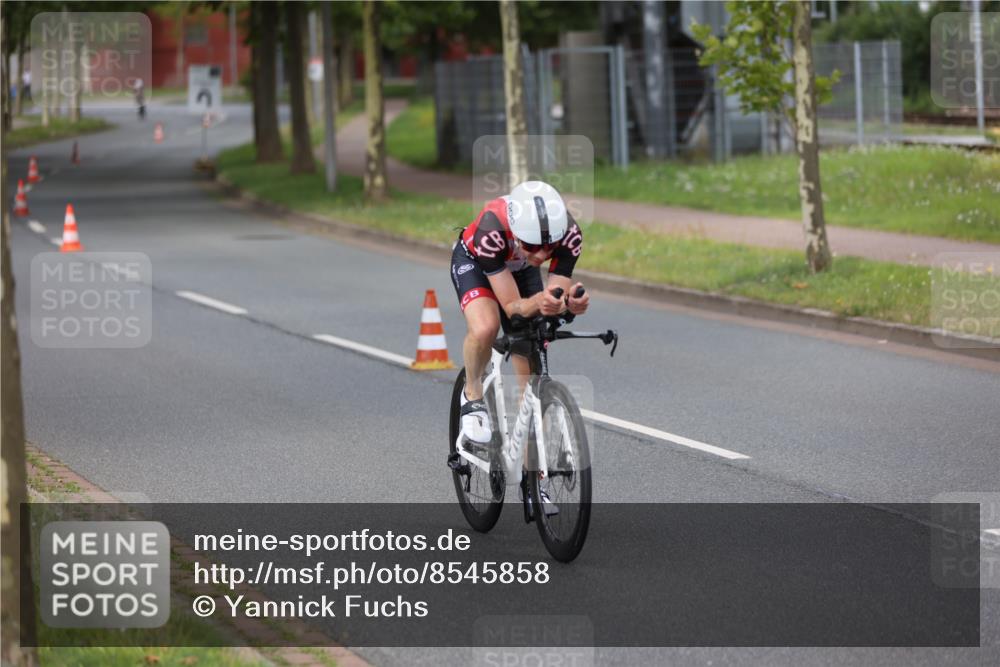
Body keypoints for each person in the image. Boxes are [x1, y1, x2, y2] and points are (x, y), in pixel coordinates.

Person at [450, 181, 588, 513]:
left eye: (547, 247)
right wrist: (536, 303)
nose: (541, 254)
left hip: (520, 270)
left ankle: (533, 480)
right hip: (480, 264)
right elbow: (512, 306)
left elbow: (554, 296)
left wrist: (569, 304)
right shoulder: (491, 230)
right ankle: (472, 395)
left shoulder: (569, 235)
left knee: (530, 386)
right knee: (487, 327)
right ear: (516, 231)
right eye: (532, 245)